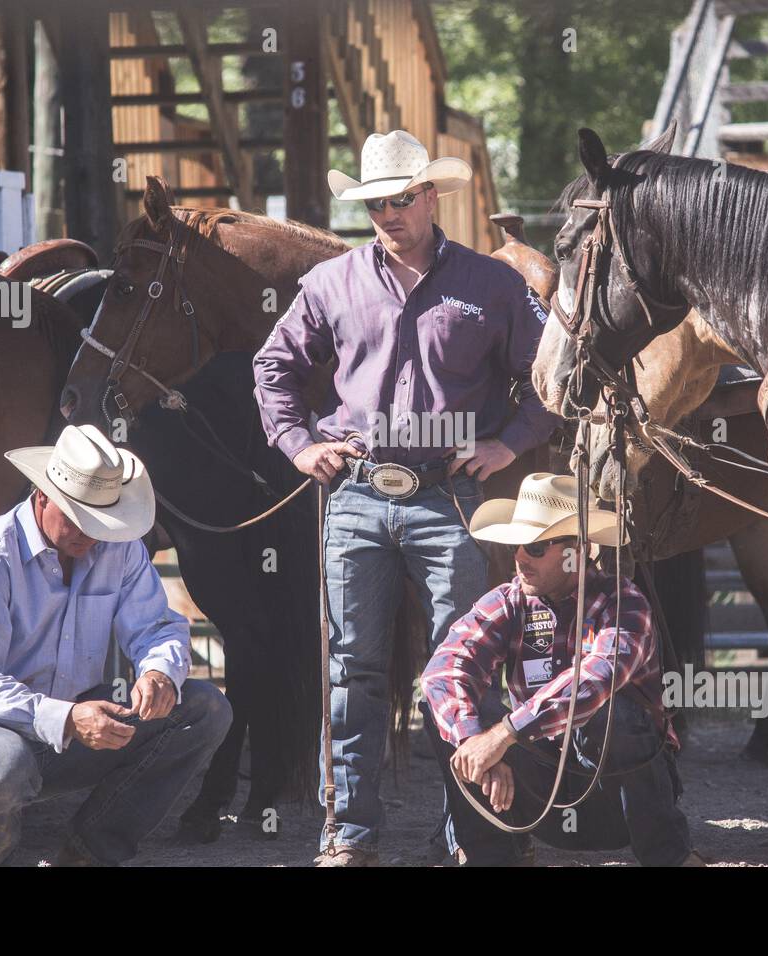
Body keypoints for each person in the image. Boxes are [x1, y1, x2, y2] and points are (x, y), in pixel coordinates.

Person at [253, 129, 559, 866]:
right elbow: (273, 369)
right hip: (356, 496)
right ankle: (349, 836)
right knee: (353, 668)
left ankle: (472, 835)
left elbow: (549, 379)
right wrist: (300, 446)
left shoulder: (494, 285)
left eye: (398, 200)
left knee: (464, 664)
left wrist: (507, 446)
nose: (386, 215)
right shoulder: (332, 283)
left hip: (450, 499)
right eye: (373, 204)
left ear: (429, 197)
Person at [0, 424, 232, 865]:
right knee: (4, 760)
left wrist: (159, 671)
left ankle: (87, 856)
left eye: (101, 521)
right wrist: (66, 718)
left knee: (205, 709)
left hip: (68, 717)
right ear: (42, 497)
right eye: (81, 520)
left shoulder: (118, 550)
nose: (92, 534)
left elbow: (157, 626)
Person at [421, 472, 703, 866]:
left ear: (579, 549)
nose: (519, 556)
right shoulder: (507, 601)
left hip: (616, 799)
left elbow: (597, 677)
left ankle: (669, 856)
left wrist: (504, 734)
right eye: (518, 544)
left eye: (535, 546)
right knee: (451, 712)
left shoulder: (623, 602)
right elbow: (442, 671)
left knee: (611, 711)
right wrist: (477, 743)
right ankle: (491, 857)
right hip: (543, 794)